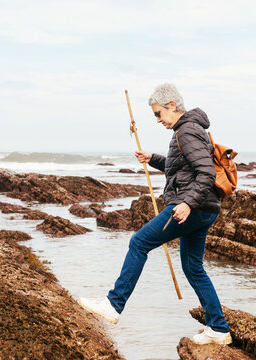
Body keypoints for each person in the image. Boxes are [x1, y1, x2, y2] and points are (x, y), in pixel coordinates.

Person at [78, 83, 231, 345]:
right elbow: (182, 168)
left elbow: (206, 173)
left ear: (172, 105)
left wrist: (187, 204)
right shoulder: (192, 129)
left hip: (190, 209)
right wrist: (153, 158)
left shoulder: (186, 131)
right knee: (193, 267)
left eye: (158, 114)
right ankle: (218, 329)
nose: (158, 120)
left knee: (139, 242)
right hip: (205, 210)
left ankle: (113, 305)